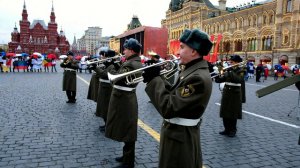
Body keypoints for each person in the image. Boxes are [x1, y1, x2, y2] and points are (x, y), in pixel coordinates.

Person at [142, 29, 213, 168]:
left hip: (181, 140)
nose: (177, 52)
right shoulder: (190, 70)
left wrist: (154, 81)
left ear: (194, 51)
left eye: (181, 47)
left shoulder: (197, 77)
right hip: (177, 135)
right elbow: (175, 93)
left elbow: (169, 107)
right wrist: (159, 78)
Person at [105, 38, 143, 168]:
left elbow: (118, 80)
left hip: (124, 99)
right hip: (125, 97)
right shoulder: (132, 62)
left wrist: (111, 68)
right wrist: (117, 66)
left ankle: (128, 161)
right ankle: (126, 155)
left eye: (125, 49)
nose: (123, 51)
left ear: (131, 50)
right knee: (127, 129)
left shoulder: (131, 64)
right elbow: (123, 76)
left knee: (128, 130)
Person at [215, 55, 246, 137]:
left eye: (231, 62)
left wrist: (230, 71)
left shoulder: (242, 69)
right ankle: (226, 129)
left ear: (237, 62)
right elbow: (220, 80)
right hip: (226, 93)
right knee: (225, 111)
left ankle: (233, 130)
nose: (230, 63)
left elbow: (238, 79)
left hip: (235, 94)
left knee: (233, 113)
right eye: (230, 62)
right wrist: (218, 73)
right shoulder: (229, 70)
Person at [94, 49, 118, 132]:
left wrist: (95, 68)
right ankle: (106, 124)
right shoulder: (108, 64)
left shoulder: (112, 65)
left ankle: (108, 125)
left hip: (107, 88)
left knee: (106, 107)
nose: (104, 57)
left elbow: (104, 74)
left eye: (106, 56)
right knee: (103, 107)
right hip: (103, 87)